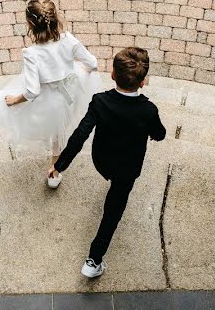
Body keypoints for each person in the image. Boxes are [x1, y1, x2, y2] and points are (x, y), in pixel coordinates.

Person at [49, 47, 166, 278]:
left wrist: (59, 165)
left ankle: (95, 260)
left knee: (113, 200)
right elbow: (160, 134)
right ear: (143, 82)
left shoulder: (100, 101)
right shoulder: (148, 110)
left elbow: (80, 136)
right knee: (112, 212)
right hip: (127, 169)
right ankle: (94, 260)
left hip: (102, 161)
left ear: (112, 74)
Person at [0, 0, 101, 185]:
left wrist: (14, 100)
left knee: (52, 129)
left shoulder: (31, 53)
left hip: (51, 100)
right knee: (60, 128)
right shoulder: (69, 39)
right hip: (71, 91)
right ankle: (54, 173)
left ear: (30, 25)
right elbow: (92, 63)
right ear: (56, 18)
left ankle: (55, 170)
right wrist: (80, 74)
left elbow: (32, 91)